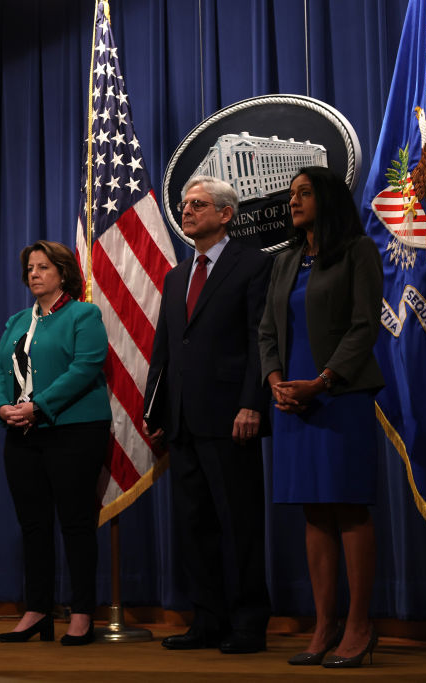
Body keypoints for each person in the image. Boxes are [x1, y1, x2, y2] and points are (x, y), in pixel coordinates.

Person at [258, 167, 384, 668]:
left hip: (339, 395)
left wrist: (323, 381)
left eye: (303, 193)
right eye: (291, 194)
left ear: (326, 199)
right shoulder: (286, 261)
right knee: (313, 510)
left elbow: (364, 326)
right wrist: (275, 383)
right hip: (292, 399)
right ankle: (324, 624)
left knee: (348, 506)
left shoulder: (358, 252)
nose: (293, 201)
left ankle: (359, 624)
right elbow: (268, 330)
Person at [143, 175, 272, 654]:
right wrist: (154, 408)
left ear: (225, 214)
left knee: (238, 524)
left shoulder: (254, 264)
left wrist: (251, 403)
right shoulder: (177, 275)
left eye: (197, 204)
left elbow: (262, 339)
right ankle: (207, 620)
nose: (187, 210)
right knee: (195, 526)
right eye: (184, 204)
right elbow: (165, 350)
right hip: (182, 421)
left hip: (231, 417)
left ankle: (248, 623)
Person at [0, 240, 111, 647]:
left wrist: (38, 407)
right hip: (21, 433)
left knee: (75, 523)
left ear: (62, 272)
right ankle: (37, 611)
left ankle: (81, 614)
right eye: (30, 269)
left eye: (42, 267)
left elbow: (85, 367)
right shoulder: (16, 320)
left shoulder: (83, 314)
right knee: (33, 526)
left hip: (73, 431)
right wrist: (2, 407)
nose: (34, 274)